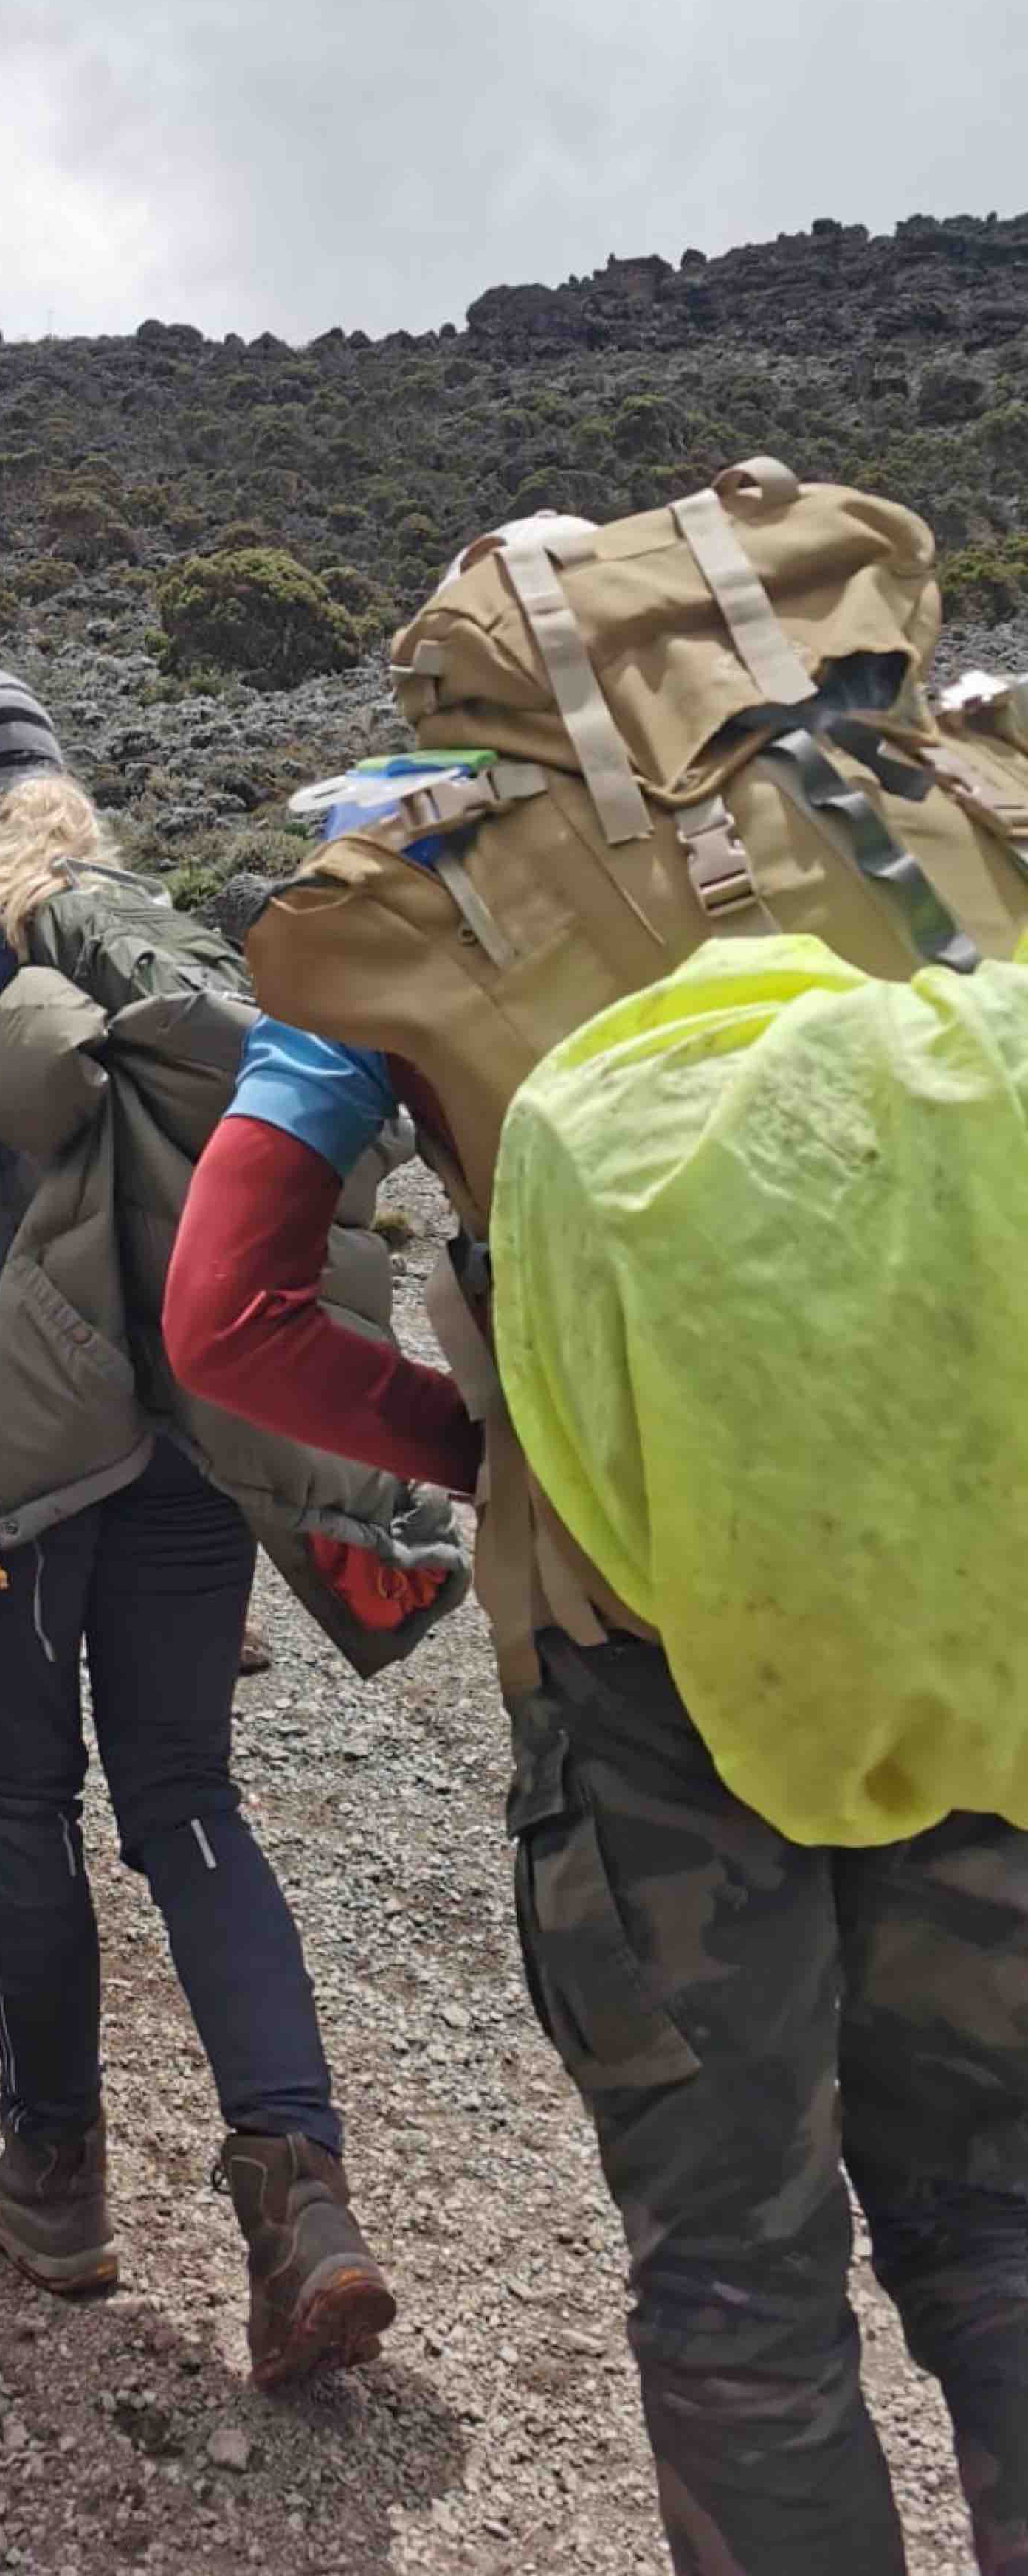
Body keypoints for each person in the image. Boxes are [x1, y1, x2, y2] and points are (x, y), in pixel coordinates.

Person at [163, 906, 1028, 2552]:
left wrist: (502, 1455)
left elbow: (225, 1316)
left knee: (740, 2277)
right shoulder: (917, 808)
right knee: (1000, 2223)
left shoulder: (418, 876)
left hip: (636, 1666)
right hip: (963, 1597)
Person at [0, 670, 392, 2380]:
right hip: (186, 1419)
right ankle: (302, 2199)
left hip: (11, 1425)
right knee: (186, 1791)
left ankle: (53, 2175)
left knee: (18, 1797)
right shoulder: (163, 933)